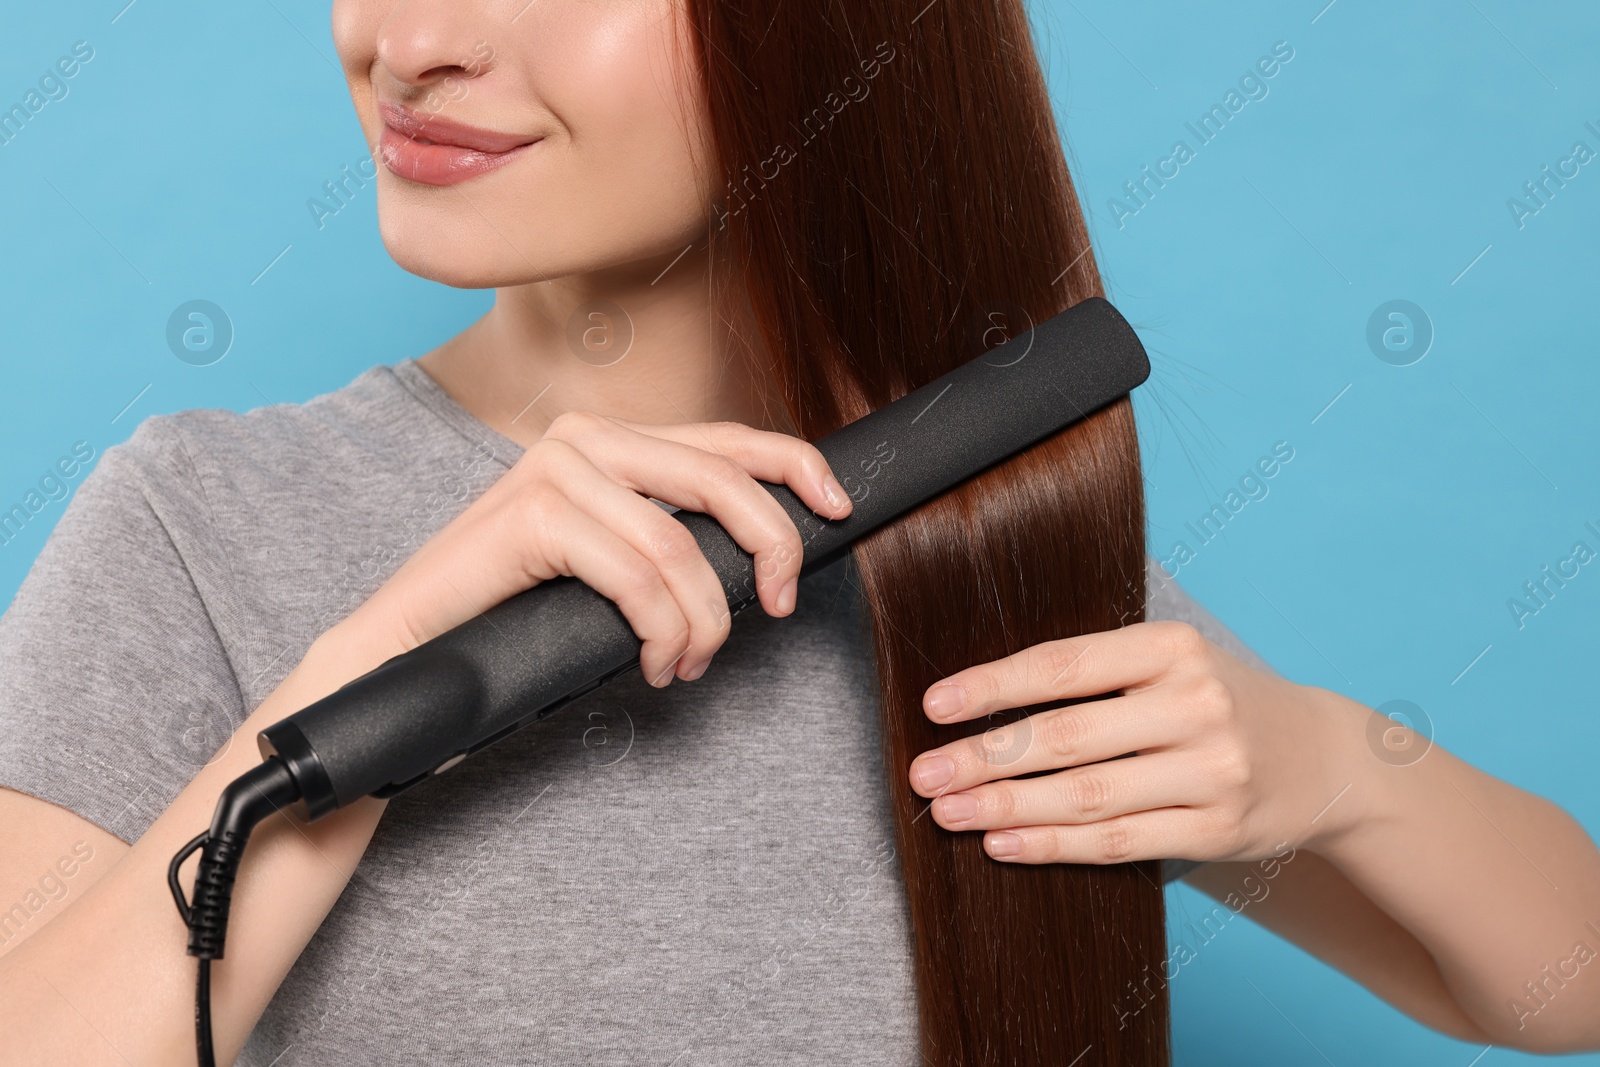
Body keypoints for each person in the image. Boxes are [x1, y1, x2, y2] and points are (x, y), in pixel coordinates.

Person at [2, 0, 1598, 1063]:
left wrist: (1321, 766)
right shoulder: (196, 527)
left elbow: (1559, 982)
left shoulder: (955, 538)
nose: (412, 41)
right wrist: (369, 683)